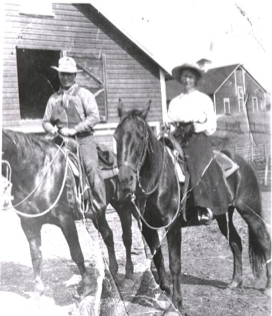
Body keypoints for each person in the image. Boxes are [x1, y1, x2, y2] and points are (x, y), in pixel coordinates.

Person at [166, 62, 231, 224]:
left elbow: (212, 126)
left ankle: (204, 207)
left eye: (190, 76)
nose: (186, 79)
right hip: (178, 137)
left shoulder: (204, 100)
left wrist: (199, 126)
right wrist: (168, 126)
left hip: (197, 139)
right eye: (184, 76)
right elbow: (170, 120)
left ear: (195, 79)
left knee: (196, 163)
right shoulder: (174, 102)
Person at [42, 56, 106, 215]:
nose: (65, 77)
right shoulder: (53, 99)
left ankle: (99, 205)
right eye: (63, 74)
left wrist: (75, 130)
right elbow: (45, 121)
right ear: (58, 75)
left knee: (90, 167)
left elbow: (94, 117)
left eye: (69, 74)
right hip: (60, 141)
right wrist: (52, 130)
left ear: (75, 76)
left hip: (83, 140)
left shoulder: (84, 95)